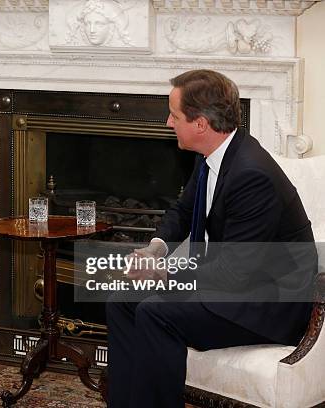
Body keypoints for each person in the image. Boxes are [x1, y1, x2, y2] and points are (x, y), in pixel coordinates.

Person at [105, 69, 317, 407]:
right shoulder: (214, 155)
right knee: (121, 300)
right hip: (236, 284)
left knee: (155, 313)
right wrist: (155, 250)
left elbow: (234, 274)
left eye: (174, 116)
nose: (167, 123)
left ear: (200, 123)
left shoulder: (252, 176)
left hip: (269, 305)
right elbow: (181, 211)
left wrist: (166, 275)